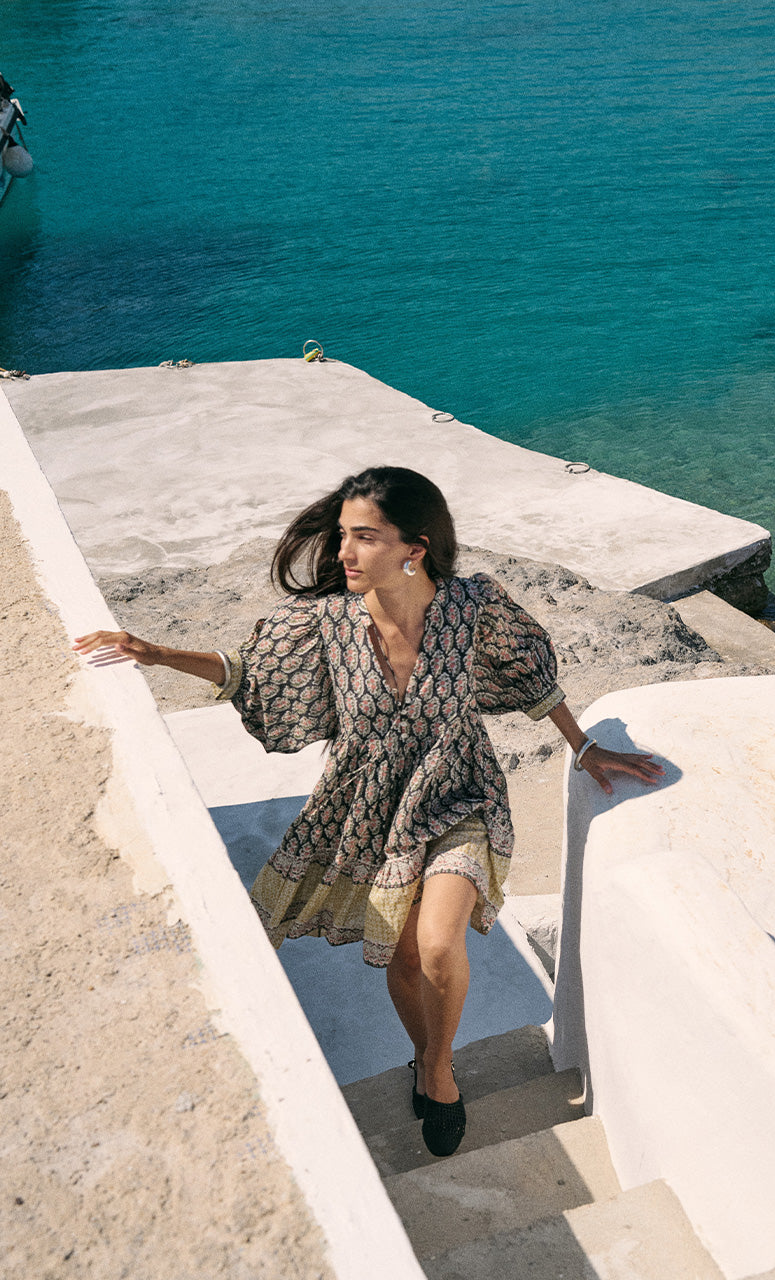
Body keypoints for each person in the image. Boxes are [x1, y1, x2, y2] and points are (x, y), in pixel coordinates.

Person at [74, 465, 663, 1157]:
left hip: (461, 794)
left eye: (363, 538)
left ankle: (438, 1073)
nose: (343, 554)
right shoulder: (322, 624)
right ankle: (428, 1059)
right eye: (341, 538)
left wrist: (584, 744)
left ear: (413, 546)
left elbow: (530, 676)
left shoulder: (474, 606)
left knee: (438, 943)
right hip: (368, 811)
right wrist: (155, 653)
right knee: (404, 958)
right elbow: (248, 672)